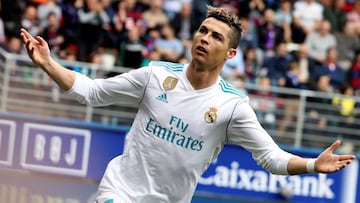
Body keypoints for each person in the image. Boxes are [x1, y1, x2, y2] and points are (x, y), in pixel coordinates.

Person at [20, 6, 355, 203]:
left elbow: (270, 157)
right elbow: (92, 92)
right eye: (203, 31)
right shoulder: (155, 75)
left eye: (216, 37)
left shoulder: (233, 107)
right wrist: (48, 63)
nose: (205, 38)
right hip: (119, 192)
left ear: (231, 54)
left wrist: (312, 165)